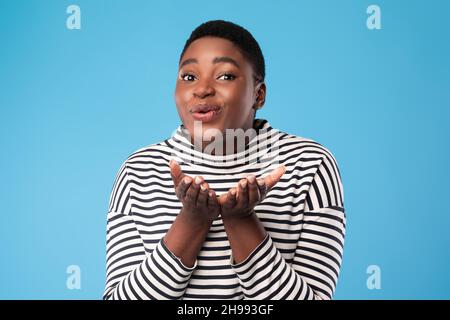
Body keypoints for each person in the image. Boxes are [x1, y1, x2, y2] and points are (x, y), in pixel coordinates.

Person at [103, 20, 346, 300]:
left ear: (259, 94)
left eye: (225, 76)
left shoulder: (309, 165)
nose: (202, 89)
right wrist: (191, 222)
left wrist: (241, 220)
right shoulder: (138, 171)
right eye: (189, 77)